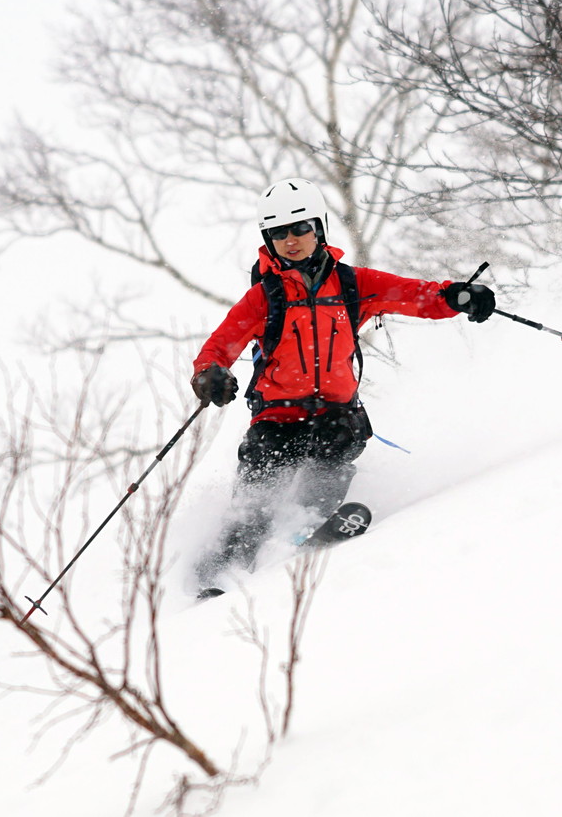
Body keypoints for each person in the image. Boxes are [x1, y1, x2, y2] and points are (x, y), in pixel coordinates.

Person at [189, 177, 495, 597]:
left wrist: (456, 297)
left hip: (335, 413)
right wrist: (210, 374)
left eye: (301, 228)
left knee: (334, 447)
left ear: (319, 229)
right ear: (268, 239)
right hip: (276, 416)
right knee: (258, 489)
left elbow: (413, 296)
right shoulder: (264, 297)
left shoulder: (352, 284)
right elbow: (220, 345)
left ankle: (310, 529)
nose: (292, 240)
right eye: (279, 233)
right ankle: (222, 573)